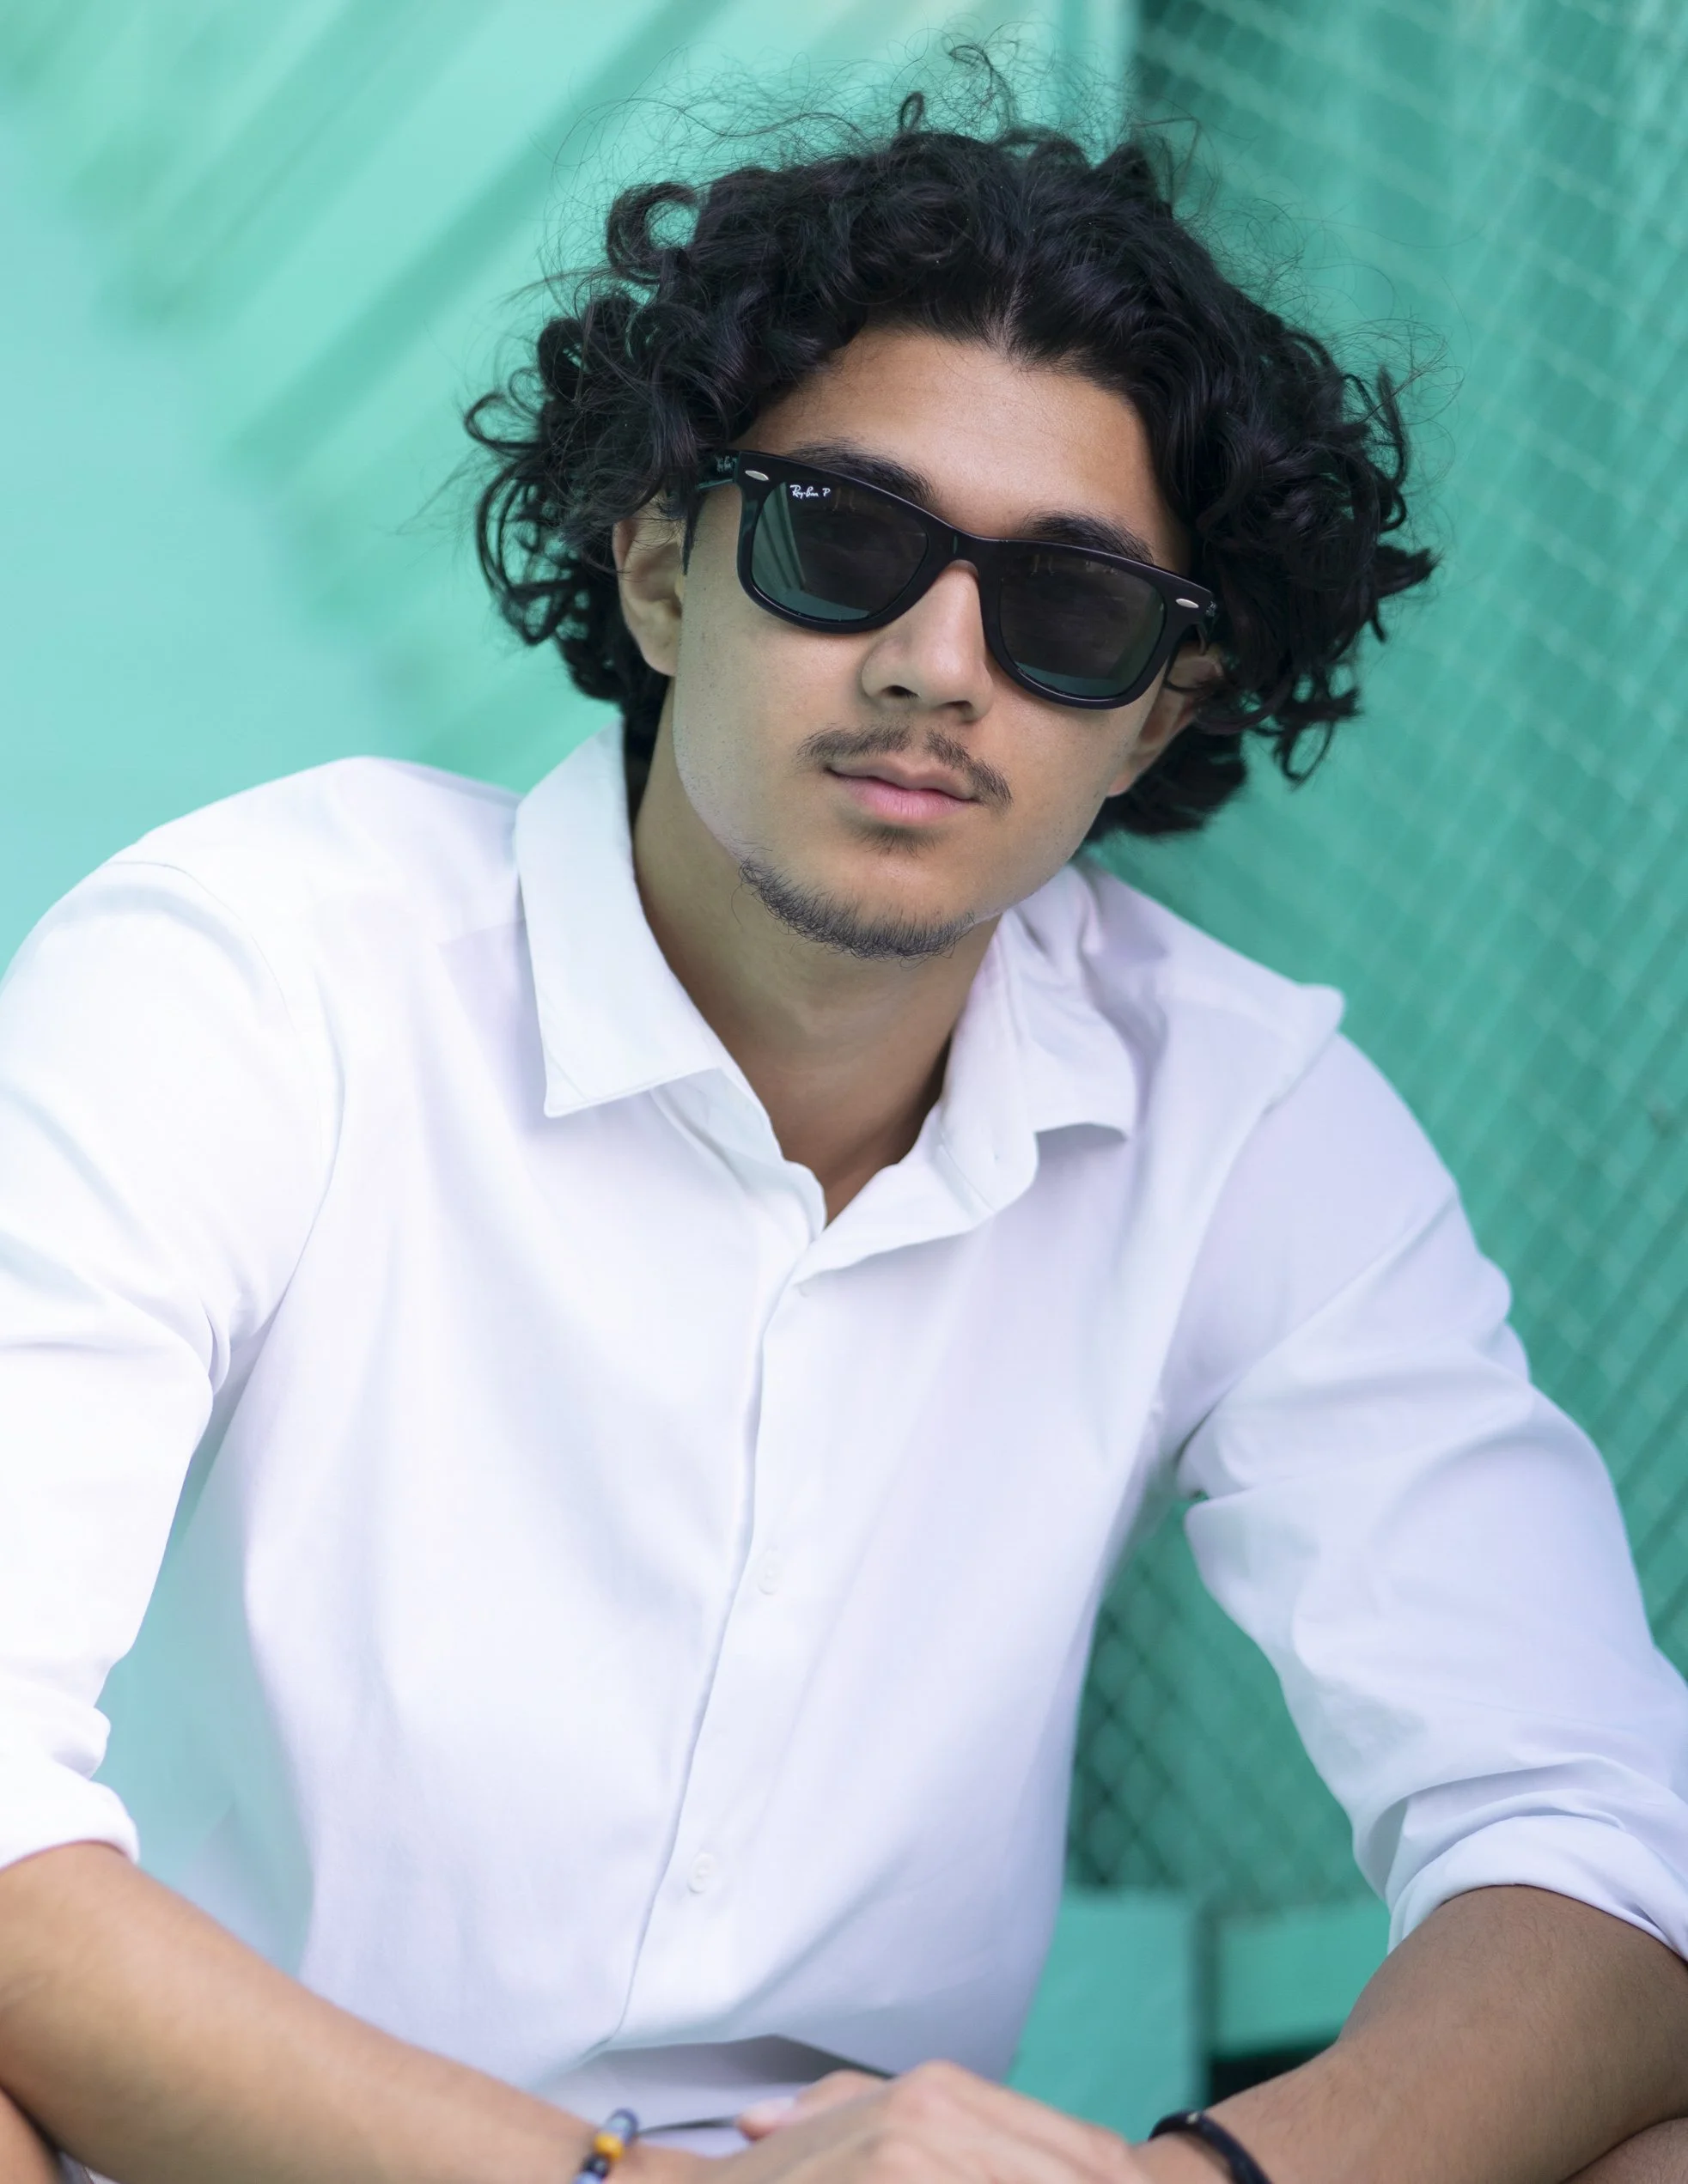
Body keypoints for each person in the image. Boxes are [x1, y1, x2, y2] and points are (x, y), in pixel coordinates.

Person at [2, 71, 1687, 2184]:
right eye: (842, 541)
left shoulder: (1243, 1116)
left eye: (1067, 610)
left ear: (1152, 712)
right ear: (657, 571)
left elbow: (1602, 1839)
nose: (935, 662)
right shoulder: (257, 969)